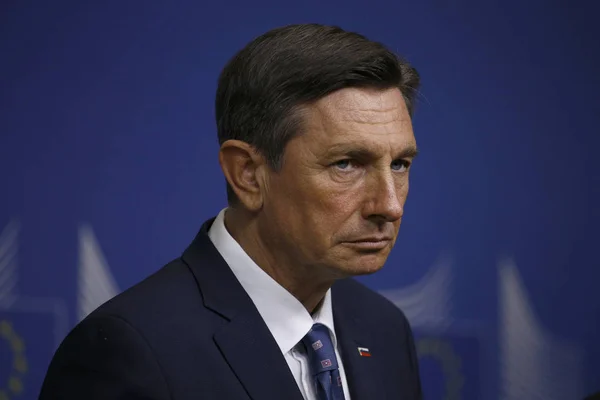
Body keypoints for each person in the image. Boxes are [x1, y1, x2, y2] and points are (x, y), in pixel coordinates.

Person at [39, 23, 423, 399]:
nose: (389, 205)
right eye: (346, 164)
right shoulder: (129, 352)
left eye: (399, 164)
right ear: (248, 174)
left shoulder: (385, 329)